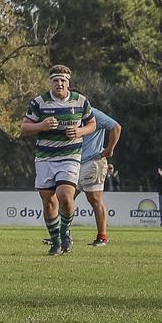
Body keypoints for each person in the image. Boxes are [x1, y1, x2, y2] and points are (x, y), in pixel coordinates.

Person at [20, 65, 97, 256]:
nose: (59, 84)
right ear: (51, 82)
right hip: (45, 157)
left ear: (68, 82)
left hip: (70, 156)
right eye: (56, 80)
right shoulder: (39, 102)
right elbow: (24, 128)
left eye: (63, 80)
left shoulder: (81, 101)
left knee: (65, 195)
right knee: (48, 201)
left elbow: (92, 124)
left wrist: (80, 131)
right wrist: (42, 125)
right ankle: (55, 241)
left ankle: (65, 232)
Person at [77, 107, 121, 247]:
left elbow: (116, 127)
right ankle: (61, 235)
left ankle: (102, 237)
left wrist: (109, 149)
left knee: (95, 200)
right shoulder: (70, 114)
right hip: (74, 163)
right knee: (65, 197)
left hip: (92, 161)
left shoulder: (93, 113)